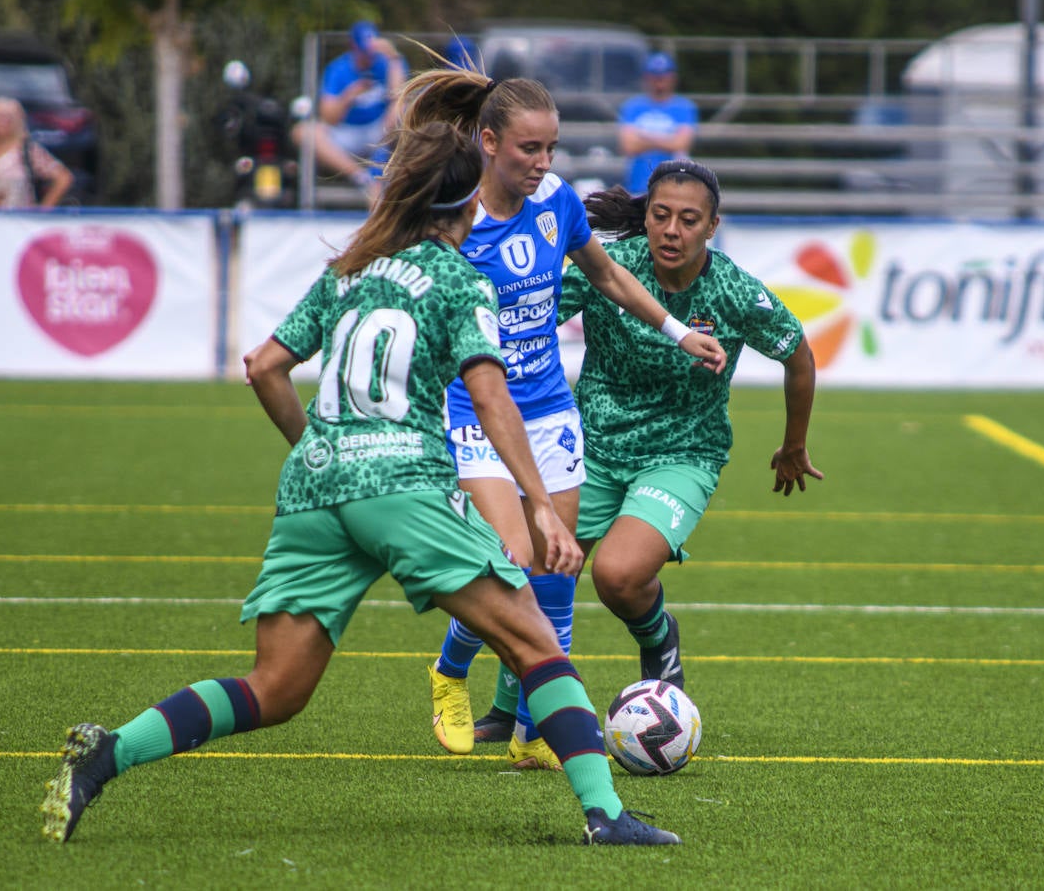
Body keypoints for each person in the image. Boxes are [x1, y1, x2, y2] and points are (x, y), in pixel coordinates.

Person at [37, 121, 679, 847]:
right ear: (470, 204)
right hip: (402, 484)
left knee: (275, 689)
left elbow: (264, 366)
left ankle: (109, 751)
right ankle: (606, 815)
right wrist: (540, 506)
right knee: (536, 641)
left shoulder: (351, 267)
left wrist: (320, 449)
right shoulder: (457, 278)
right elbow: (492, 398)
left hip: (314, 488)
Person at [397, 67, 728, 770]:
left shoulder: (556, 203)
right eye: (529, 149)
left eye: (551, 148)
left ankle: (534, 728)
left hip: (549, 411)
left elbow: (606, 275)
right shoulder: (453, 220)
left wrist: (676, 330)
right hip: (474, 415)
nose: (543, 163)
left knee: (555, 569)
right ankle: (449, 673)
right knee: (508, 563)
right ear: (487, 142)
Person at [478, 159, 823, 729]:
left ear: (712, 227)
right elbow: (529, 318)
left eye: (689, 220)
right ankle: (511, 704)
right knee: (539, 569)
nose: (671, 230)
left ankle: (659, 639)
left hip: (682, 453)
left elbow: (799, 355)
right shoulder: (609, 268)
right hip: (588, 448)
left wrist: (793, 445)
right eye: (661, 215)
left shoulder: (734, 291)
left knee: (617, 576)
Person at [292, 20, 406, 201]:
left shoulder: (387, 63)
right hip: (347, 133)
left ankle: (388, 175)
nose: (368, 58)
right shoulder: (338, 69)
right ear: (353, 46)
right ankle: (361, 177)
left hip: (379, 132)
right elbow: (328, 117)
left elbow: (399, 96)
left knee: (401, 112)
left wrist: (393, 57)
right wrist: (348, 96)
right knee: (303, 132)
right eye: (364, 52)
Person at [0, 96, 73, 209]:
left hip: (21, 221)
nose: (3, 122)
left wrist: (43, 210)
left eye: (8, 118)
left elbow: (63, 178)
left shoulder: (28, 150)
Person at [617, 53, 698, 196]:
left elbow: (681, 144)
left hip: (674, 185)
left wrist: (643, 139)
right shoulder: (633, 106)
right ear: (646, 78)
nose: (659, 81)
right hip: (637, 184)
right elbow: (628, 146)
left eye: (664, 76)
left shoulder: (684, 107)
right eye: (654, 76)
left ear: (673, 78)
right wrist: (667, 140)